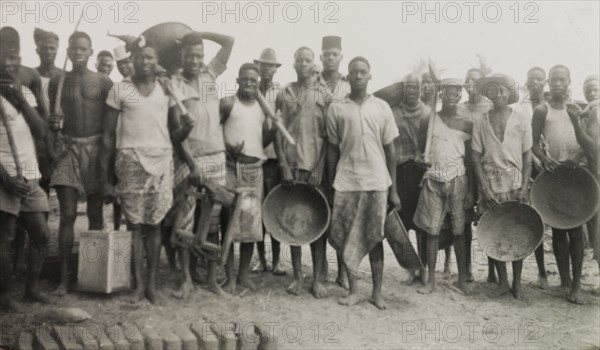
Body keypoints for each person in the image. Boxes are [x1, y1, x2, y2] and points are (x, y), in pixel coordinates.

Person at [101, 40, 194, 305]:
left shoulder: (167, 90)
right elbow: (107, 136)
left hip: (162, 159)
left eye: (150, 57)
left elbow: (176, 134)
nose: (145, 61)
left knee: (154, 225)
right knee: (134, 225)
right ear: (133, 59)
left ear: (156, 62)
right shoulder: (121, 90)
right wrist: (107, 178)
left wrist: (187, 127)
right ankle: (137, 285)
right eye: (141, 57)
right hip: (129, 159)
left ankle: (151, 285)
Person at [327, 56, 401, 309]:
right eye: (354, 72)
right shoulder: (337, 108)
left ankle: (377, 292)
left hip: (377, 182)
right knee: (346, 237)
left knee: (375, 238)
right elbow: (332, 151)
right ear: (348, 77)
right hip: (347, 182)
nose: (358, 76)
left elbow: (391, 151)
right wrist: (329, 184)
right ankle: (354, 290)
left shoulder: (381, 107)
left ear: (370, 76)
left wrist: (394, 191)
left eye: (363, 72)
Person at [167, 31, 234, 298]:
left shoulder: (209, 75)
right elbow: (175, 133)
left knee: (213, 222)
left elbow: (229, 41)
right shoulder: (173, 83)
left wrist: (197, 33)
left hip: (217, 156)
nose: (195, 60)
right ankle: (186, 279)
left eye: (199, 55)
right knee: (185, 221)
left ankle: (211, 280)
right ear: (181, 55)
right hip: (190, 160)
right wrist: (192, 165)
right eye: (190, 55)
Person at [47, 31, 113, 296]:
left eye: (83, 48)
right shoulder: (57, 81)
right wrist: (53, 126)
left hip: (96, 150)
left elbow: (111, 124)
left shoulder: (104, 81)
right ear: (68, 50)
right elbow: (51, 117)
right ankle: (64, 278)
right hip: (68, 149)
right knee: (68, 215)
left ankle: (93, 276)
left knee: (95, 215)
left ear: (90, 51)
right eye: (74, 48)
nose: (78, 52)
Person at [0, 28, 51, 311]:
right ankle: (4, 297)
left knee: (42, 234)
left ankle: (32, 289)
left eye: (14, 58)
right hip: (4, 176)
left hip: (30, 174)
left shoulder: (23, 88)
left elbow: (41, 130)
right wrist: (6, 179)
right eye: (5, 58)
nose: (11, 64)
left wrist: (20, 99)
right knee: (5, 238)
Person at [472, 74, 533, 302]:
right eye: (492, 90)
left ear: (509, 93)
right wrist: (484, 189)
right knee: (492, 231)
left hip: (516, 184)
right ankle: (502, 282)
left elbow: (527, 154)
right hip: (491, 184)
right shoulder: (481, 120)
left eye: (502, 90)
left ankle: (517, 283)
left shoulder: (522, 117)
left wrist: (524, 186)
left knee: (518, 230)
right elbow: (475, 157)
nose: (497, 94)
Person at [275, 47, 329, 298]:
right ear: (294, 63)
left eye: (308, 60)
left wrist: (319, 166)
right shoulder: (286, 93)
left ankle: (317, 279)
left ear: (314, 62)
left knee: (318, 223)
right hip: (293, 167)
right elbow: (278, 130)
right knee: (293, 222)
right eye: (300, 60)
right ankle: (297, 277)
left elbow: (329, 136)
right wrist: (284, 164)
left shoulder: (325, 93)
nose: (304, 64)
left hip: (315, 169)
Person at [413, 78, 474, 296]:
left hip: (458, 179)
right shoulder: (429, 120)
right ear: (441, 95)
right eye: (447, 93)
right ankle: (430, 280)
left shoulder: (467, 122)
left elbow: (471, 159)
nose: (451, 97)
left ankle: (462, 279)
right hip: (433, 179)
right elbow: (421, 150)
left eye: (455, 93)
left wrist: (471, 190)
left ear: (460, 96)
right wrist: (421, 159)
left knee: (458, 231)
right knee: (432, 231)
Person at [220, 63, 277, 294]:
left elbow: (261, 140)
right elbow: (213, 132)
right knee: (229, 223)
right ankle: (230, 276)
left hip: (254, 168)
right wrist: (226, 148)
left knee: (250, 225)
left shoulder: (264, 108)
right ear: (238, 81)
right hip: (231, 168)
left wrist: (274, 131)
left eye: (253, 81)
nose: (250, 84)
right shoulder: (227, 103)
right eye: (245, 80)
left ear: (258, 84)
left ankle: (243, 276)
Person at [532, 64, 586, 304]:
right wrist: (544, 159)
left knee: (576, 231)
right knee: (557, 229)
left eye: (561, 79)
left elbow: (589, 141)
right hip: (555, 175)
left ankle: (576, 286)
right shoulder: (542, 110)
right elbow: (532, 144)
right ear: (548, 83)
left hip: (576, 175)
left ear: (569, 81)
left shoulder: (577, 109)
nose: (556, 84)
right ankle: (564, 280)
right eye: (553, 80)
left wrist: (577, 157)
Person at [317, 35, 352, 288]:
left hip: (342, 155)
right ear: (321, 57)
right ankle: (320, 269)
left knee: (341, 215)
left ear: (341, 57)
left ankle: (342, 269)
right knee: (319, 209)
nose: (330, 58)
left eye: (334, 54)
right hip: (315, 155)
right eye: (326, 54)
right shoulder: (311, 84)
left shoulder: (349, 86)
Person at [390, 72, 431, 286]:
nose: (412, 90)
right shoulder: (393, 113)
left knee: (423, 223)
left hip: (422, 174)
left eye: (415, 86)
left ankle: (423, 267)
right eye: (407, 86)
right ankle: (410, 267)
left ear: (421, 88)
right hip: (399, 172)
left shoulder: (429, 113)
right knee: (403, 223)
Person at [252, 48, 285, 276]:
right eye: (263, 65)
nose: (266, 69)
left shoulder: (281, 93)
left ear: (275, 69)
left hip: (274, 157)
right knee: (254, 209)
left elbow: (285, 124)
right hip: (253, 156)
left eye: (270, 66)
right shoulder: (249, 90)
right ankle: (261, 259)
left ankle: (276, 261)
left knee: (273, 208)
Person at [565, 74, 599, 296]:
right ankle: (578, 284)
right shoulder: (587, 114)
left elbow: (593, 147)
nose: (592, 93)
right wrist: (577, 156)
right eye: (588, 90)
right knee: (587, 232)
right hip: (592, 176)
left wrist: (576, 123)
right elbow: (586, 146)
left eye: (596, 89)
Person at [457, 67, 492, 283]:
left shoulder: (489, 107)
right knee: (464, 220)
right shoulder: (459, 109)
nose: (470, 82)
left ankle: (493, 271)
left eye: (475, 79)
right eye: (467, 79)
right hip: (463, 166)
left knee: (489, 219)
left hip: (486, 168)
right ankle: (466, 269)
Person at [520, 66, 550, 290]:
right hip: (527, 169)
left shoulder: (550, 106)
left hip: (550, 169)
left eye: (539, 79)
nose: (535, 83)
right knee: (530, 218)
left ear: (545, 82)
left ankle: (550, 273)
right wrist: (532, 156)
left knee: (551, 220)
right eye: (531, 79)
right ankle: (535, 273)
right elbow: (522, 138)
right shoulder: (520, 108)